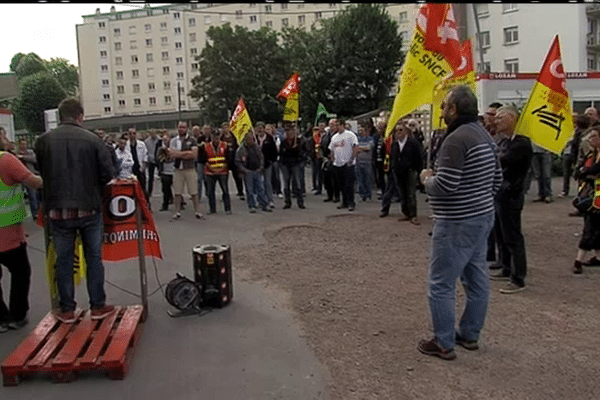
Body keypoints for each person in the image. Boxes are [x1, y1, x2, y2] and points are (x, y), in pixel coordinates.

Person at [417, 85, 502, 360]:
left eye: (444, 106)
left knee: (441, 283)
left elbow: (446, 185)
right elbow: (497, 180)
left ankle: (443, 342)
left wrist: (426, 178)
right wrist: (478, 200)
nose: (441, 111)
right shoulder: (484, 135)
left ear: (454, 109)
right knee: (476, 279)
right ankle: (470, 334)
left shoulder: (455, 140)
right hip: (482, 217)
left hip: (456, 222)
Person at [35, 98, 116, 323]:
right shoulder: (93, 140)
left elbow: (42, 171)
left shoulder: (42, 141)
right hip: (89, 207)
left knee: (64, 260)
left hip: (57, 210)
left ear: (61, 116)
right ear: (80, 115)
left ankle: (67, 309)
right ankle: (98, 306)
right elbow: (107, 174)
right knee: (93, 258)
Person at [489, 106, 533, 294]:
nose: (496, 121)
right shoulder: (506, 141)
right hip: (501, 193)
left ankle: (518, 277)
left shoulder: (521, 143)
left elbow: (500, 161)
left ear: (512, 118)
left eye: (500, 118)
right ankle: (506, 267)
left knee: (513, 236)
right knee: (501, 232)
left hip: (511, 195)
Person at [0, 144, 43, 332]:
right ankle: (17, 316)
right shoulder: (5, 160)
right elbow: (33, 182)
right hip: (7, 231)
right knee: (20, 272)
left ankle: (0, 318)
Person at [380, 119, 423, 224]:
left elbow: (419, 157)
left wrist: (419, 171)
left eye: (400, 130)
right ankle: (406, 213)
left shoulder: (413, 143)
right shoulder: (394, 144)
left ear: (406, 131)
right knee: (401, 193)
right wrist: (392, 168)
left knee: (410, 193)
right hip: (397, 171)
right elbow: (391, 157)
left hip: (410, 171)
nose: (398, 133)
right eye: (396, 131)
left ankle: (413, 215)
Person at [573, 128, 600, 273]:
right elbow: (583, 169)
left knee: (590, 227)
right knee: (593, 226)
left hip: (597, 198)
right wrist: (584, 172)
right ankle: (597, 257)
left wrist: (586, 172)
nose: (591, 139)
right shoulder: (592, 154)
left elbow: (594, 169)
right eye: (590, 137)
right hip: (592, 194)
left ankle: (578, 260)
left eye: (594, 136)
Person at [167, 121, 204, 221]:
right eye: (180, 127)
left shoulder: (192, 140)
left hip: (190, 168)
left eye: (183, 127)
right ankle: (177, 212)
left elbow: (194, 155)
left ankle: (198, 211)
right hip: (178, 169)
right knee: (177, 192)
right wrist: (185, 153)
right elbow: (171, 154)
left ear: (187, 128)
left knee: (193, 191)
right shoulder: (174, 141)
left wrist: (178, 154)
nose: (181, 129)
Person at [236, 132, 272, 213]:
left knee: (261, 189)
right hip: (247, 172)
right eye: (248, 139)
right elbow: (238, 162)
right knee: (250, 190)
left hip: (257, 171)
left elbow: (261, 158)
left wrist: (260, 168)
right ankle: (252, 205)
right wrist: (244, 170)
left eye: (251, 138)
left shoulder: (257, 147)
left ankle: (263, 204)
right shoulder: (241, 149)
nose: (250, 140)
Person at [198, 128, 231, 215]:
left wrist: (221, 169)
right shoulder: (205, 146)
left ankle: (227, 209)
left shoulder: (225, 145)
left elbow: (228, 159)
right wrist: (211, 169)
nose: (215, 139)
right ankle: (212, 209)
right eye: (213, 137)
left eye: (217, 137)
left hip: (223, 171)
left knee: (225, 191)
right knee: (210, 191)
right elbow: (203, 160)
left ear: (219, 136)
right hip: (210, 172)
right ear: (211, 137)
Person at [328, 119, 358, 212]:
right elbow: (332, 149)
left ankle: (351, 202)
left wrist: (351, 159)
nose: (337, 127)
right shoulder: (334, 137)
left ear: (343, 125)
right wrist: (333, 160)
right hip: (338, 163)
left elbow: (355, 147)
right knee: (341, 184)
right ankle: (344, 201)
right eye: (336, 125)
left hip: (348, 163)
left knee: (349, 184)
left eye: (338, 125)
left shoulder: (350, 135)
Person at [279, 122, 306, 209]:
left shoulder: (298, 141)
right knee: (286, 183)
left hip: (295, 164)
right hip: (285, 164)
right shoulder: (283, 142)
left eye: (290, 131)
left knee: (297, 182)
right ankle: (287, 202)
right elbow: (281, 153)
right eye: (287, 132)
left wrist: (296, 151)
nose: (289, 133)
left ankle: (300, 202)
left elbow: (302, 152)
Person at [16, 139, 40, 219]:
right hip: (19, 178)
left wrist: (23, 157)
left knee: (32, 196)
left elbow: (34, 159)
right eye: (22, 144)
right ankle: (19, 214)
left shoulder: (30, 152)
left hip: (29, 176)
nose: (23, 146)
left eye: (25, 144)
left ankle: (35, 213)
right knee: (19, 196)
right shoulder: (16, 153)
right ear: (19, 145)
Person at [221, 123, 245, 201]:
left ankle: (240, 192)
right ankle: (225, 194)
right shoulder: (221, 138)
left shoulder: (234, 137)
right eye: (223, 128)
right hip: (225, 160)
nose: (225, 129)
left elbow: (239, 146)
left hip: (234, 159)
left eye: (226, 127)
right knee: (224, 178)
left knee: (238, 177)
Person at [256, 122, 278, 208]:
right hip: (257, 165)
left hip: (267, 164)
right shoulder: (255, 139)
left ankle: (270, 200)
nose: (260, 130)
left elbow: (274, 151)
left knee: (267, 182)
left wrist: (271, 160)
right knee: (258, 183)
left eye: (261, 128)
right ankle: (260, 200)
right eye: (258, 128)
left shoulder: (269, 138)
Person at [321, 120, 340, 203]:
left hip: (335, 159)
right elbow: (322, 145)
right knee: (327, 179)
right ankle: (329, 195)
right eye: (330, 125)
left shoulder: (338, 136)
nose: (331, 127)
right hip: (326, 159)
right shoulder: (326, 135)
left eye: (333, 125)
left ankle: (337, 196)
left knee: (335, 179)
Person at [355, 124, 375, 202]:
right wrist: (361, 148)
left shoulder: (370, 138)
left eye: (362, 130)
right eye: (359, 130)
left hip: (367, 162)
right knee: (360, 180)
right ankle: (362, 195)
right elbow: (355, 148)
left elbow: (369, 147)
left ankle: (368, 195)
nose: (360, 132)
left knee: (367, 179)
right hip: (358, 162)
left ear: (366, 131)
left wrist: (360, 148)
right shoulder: (357, 139)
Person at [127, 127, 148, 200]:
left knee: (143, 189)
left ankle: (146, 206)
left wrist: (143, 168)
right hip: (130, 170)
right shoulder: (126, 145)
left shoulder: (141, 144)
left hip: (139, 169)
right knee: (131, 190)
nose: (132, 135)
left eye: (134, 133)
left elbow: (145, 156)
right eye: (130, 134)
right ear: (128, 135)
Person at [156, 132, 174, 211]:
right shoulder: (160, 148)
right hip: (164, 171)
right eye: (164, 140)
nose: (165, 141)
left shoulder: (174, 147)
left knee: (177, 189)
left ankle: (180, 203)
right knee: (165, 189)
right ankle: (165, 205)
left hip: (174, 170)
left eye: (166, 140)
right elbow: (158, 158)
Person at [144, 129, 160, 199]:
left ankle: (170, 194)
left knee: (163, 176)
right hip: (150, 160)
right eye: (152, 134)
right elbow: (146, 151)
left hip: (158, 159)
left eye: (154, 133)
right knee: (150, 177)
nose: (153, 135)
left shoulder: (160, 140)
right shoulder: (147, 141)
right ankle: (149, 191)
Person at [310, 124, 325, 196]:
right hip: (315, 155)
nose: (322, 128)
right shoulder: (315, 135)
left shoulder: (326, 134)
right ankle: (317, 187)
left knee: (323, 173)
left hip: (323, 155)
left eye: (323, 126)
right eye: (321, 126)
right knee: (316, 172)